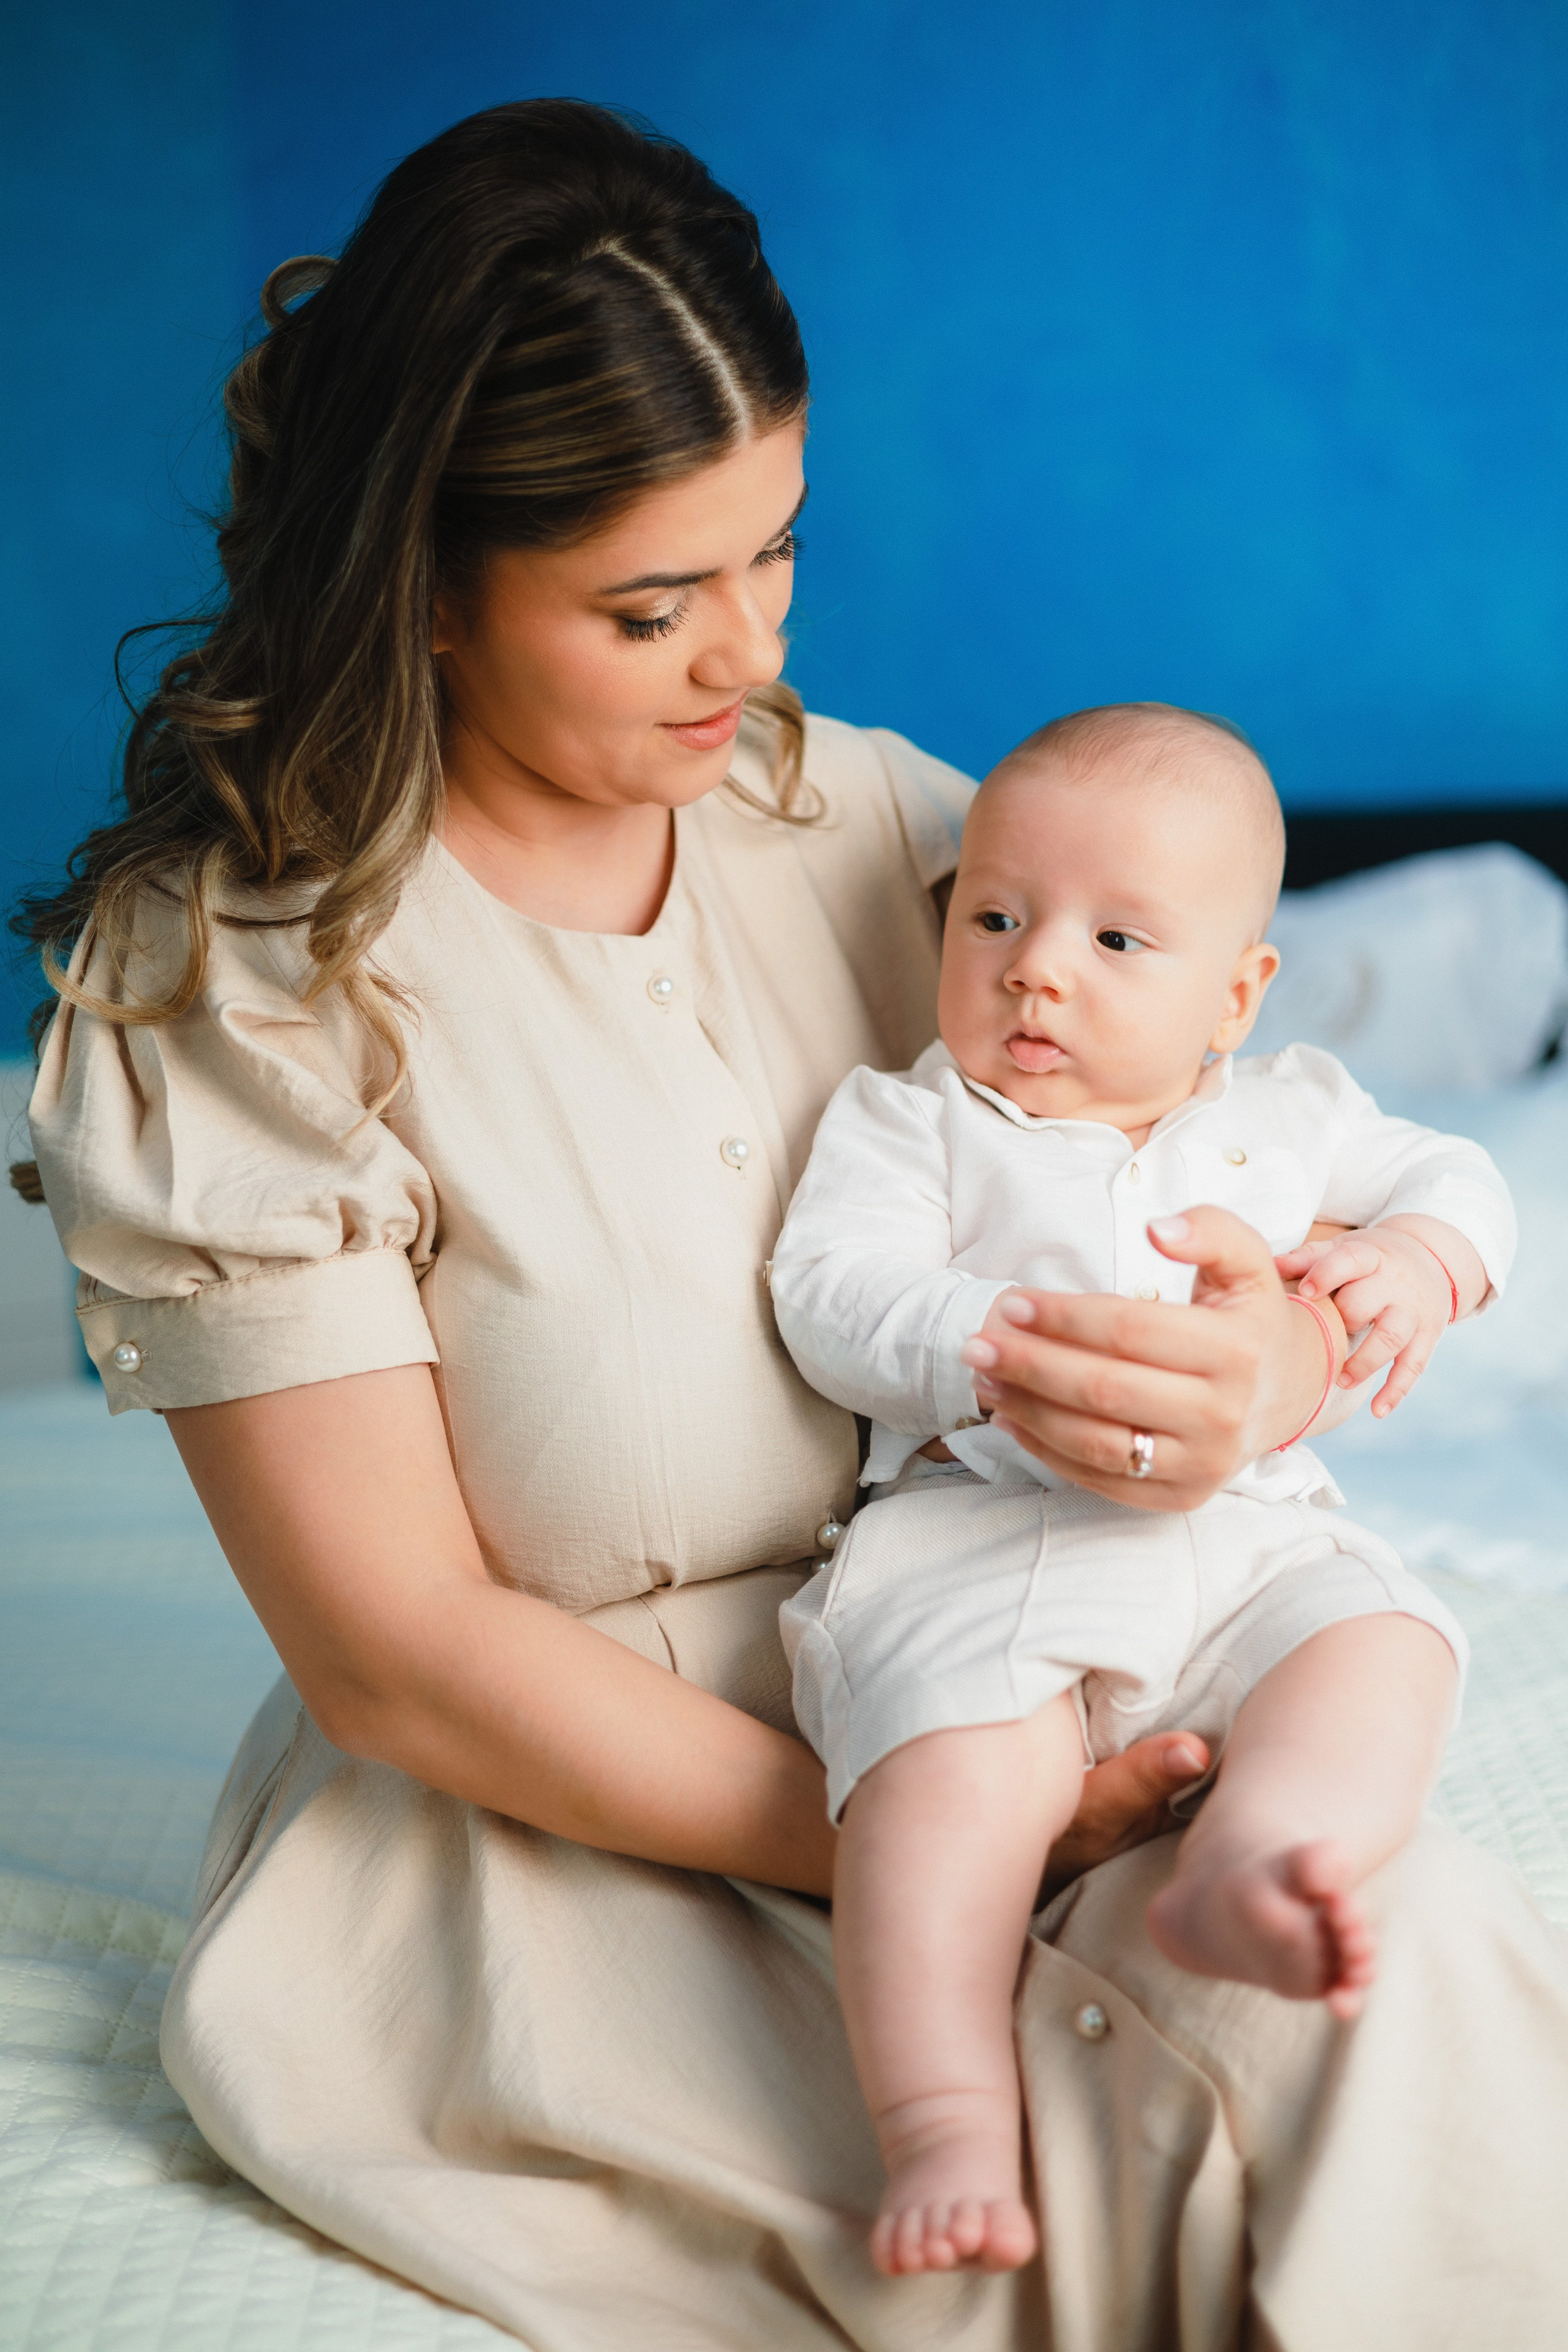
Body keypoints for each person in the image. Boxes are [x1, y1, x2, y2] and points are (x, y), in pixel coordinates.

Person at [15, 97, 1568, 2352]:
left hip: (1022, 1662)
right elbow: (401, 1658)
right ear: (424, 586)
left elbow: (1219, 1135)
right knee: (994, 2227)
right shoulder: (243, 990)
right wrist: (978, 1838)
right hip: (563, 1817)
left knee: (1419, 2007)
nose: (744, 658)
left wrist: (1288, 1365)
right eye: (651, 601)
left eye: (779, 556)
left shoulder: (897, 834)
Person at [770, 702, 1515, 2277]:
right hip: (981, 1545)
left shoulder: (1289, 1119)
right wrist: (990, 1342)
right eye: (995, 916)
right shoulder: (915, 1120)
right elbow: (826, 1291)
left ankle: (1258, 1854)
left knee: (1383, 1639)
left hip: (1243, 1542)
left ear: (1232, 996)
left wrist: (1415, 1261)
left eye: (1117, 938)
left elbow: (1458, 1179)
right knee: (941, 1778)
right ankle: (942, 2115)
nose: (1037, 966)